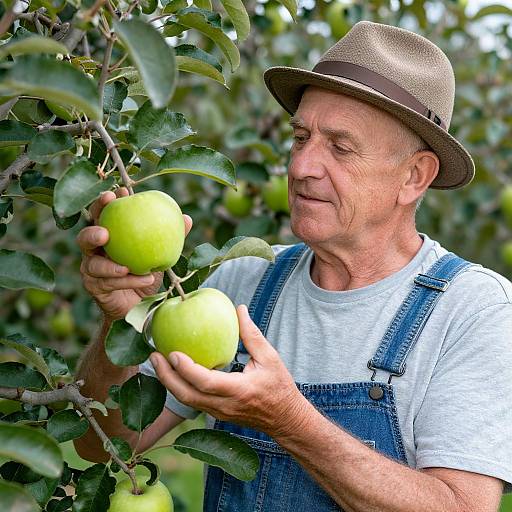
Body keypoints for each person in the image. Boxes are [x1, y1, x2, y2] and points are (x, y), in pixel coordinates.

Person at [74, 21, 512, 512]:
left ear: (414, 176)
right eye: (301, 137)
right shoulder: (239, 283)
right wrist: (119, 321)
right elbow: (103, 445)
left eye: (340, 147)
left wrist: (289, 419)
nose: (302, 166)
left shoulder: (473, 311)